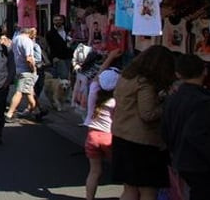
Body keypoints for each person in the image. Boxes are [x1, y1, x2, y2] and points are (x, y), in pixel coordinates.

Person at [111, 45, 175, 200]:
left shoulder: (126, 77)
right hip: (142, 142)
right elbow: (148, 114)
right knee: (148, 191)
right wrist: (166, 103)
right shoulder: (145, 82)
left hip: (121, 135)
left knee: (129, 189)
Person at [162, 54, 210, 200]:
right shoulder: (203, 101)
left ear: (178, 74)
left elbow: (165, 130)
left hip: (180, 158)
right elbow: (196, 135)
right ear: (204, 71)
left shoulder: (172, 98)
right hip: (199, 162)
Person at [84, 69, 120, 200]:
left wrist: (108, 59)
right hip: (109, 136)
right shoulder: (116, 100)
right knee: (122, 170)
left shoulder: (93, 92)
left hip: (92, 135)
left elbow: (96, 78)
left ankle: (89, 197)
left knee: (94, 172)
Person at [5, 28, 39, 122]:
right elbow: (29, 58)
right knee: (19, 92)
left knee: (29, 91)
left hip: (18, 68)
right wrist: (32, 68)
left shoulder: (16, 39)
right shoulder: (27, 41)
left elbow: (10, 51)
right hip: (26, 70)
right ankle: (9, 114)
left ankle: (36, 110)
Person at [46, 14, 73, 80]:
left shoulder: (68, 30)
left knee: (70, 75)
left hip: (69, 56)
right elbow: (49, 46)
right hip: (58, 57)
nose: (58, 21)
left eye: (60, 20)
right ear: (53, 21)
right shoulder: (50, 33)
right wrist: (53, 57)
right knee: (64, 75)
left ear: (63, 21)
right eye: (56, 20)